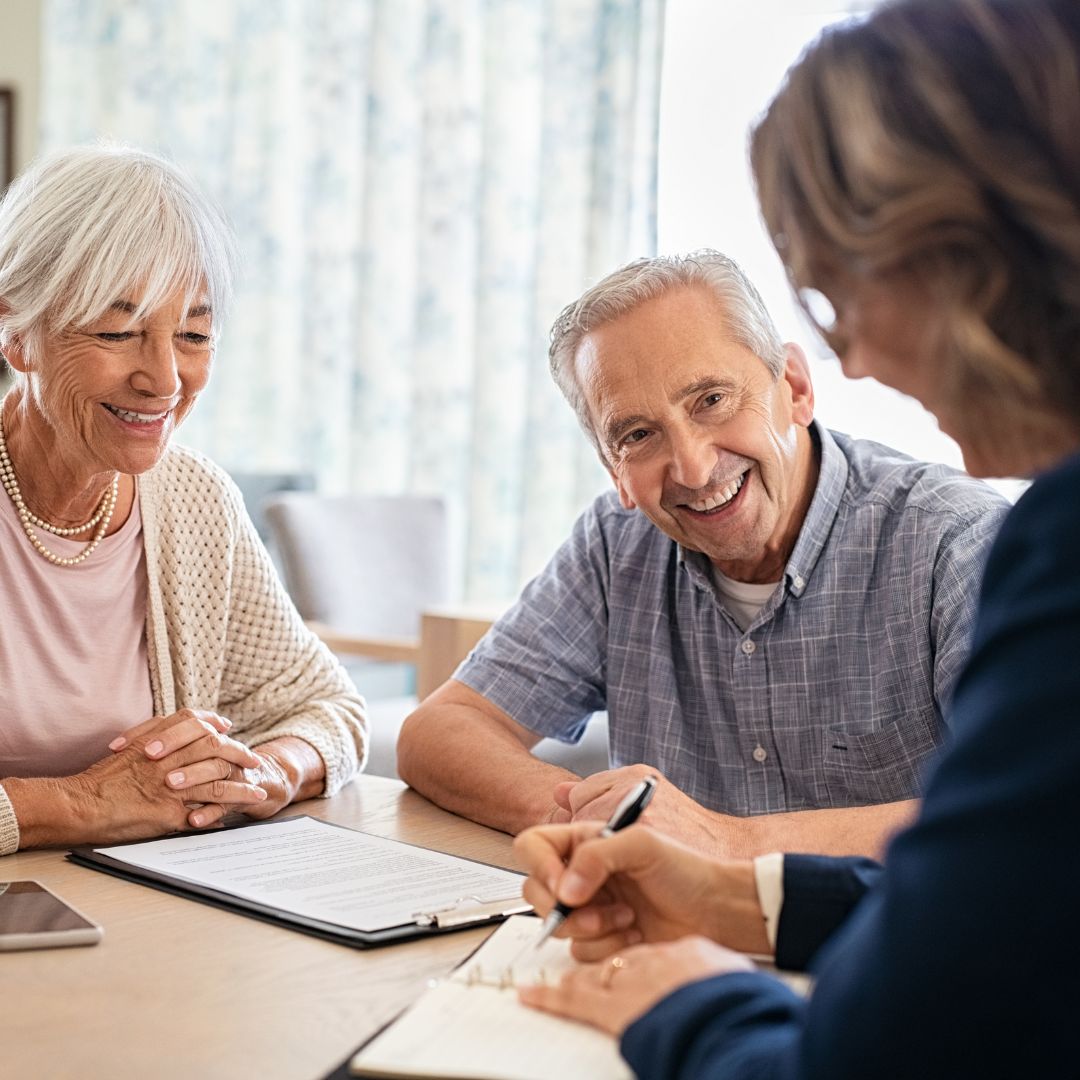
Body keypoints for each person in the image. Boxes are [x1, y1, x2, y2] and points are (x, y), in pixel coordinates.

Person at [513, 0, 1080, 1075]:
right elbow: (1015, 893)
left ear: (965, 249)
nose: (854, 356)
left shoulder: (1040, 546)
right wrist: (741, 897)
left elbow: (880, 1053)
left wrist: (692, 1003)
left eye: (840, 288)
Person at [398, 250, 1007, 858]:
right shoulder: (617, 545)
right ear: (615, 470)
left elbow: (1030, 809)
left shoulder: (957, 541)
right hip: (666, 948)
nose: (692, 467)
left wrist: (723, 842)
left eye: (711, 400)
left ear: (793, 388)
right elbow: (438, 732)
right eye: (638, 435)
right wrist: (604, 820)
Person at [0, 145, 368, 855]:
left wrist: (265, 775)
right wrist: (78, 805)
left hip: (143, 916)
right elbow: (96, 805)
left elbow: (327, 708)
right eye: (119, 333)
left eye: (194, 335)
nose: (166, 379)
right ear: (19, 333)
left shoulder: (192, 499)